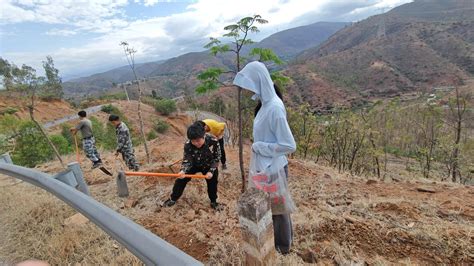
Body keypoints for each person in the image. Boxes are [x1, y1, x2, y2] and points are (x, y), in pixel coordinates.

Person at [233, 61, 296, 254]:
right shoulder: (264, 105)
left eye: (250, 85)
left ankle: (283, 248)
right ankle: (276, 242)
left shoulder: (274, 108)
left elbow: (288, 145)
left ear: (260, 82)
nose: (247, 90)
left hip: (275, 167)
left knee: (279, 210)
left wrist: (261, 146)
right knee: (272, 208)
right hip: (265, 166)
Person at [163, 122, 223, 210]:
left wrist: (211, 171)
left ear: (204, 136)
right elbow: (187, 159)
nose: (196, 143)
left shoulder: (213, 141)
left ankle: (213, 201)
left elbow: (217, 158)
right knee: (180, 179)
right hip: (194, 164)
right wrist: (183, 170)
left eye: (198, 140)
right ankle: (173, 199)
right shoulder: (188, 144)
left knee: (212, 182)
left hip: (209, 165)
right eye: (193, 141)